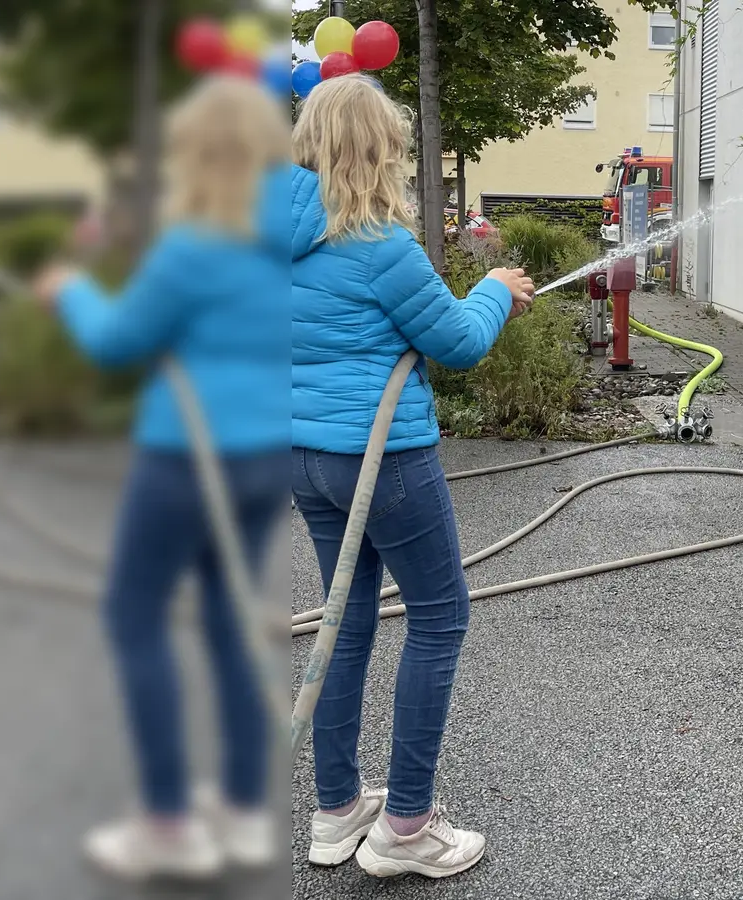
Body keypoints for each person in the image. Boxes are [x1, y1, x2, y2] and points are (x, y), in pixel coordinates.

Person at [32, 75, 293, 880]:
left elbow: (117, 341)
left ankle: (169, 825)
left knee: (134, 614)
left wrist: (70, 292)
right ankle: (244, 814)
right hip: (267, 456)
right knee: (231, 620)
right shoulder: (290, 244)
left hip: (186, 457)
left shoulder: (192, 248)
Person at [289, 74, 534, 880]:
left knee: (344, 619)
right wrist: (495, 289)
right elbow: (457, 342)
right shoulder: (378, 245)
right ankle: (406, 828)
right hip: (384, 459)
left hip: (306, 458)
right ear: (379, 149)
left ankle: (336, 812)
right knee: (439, 616)